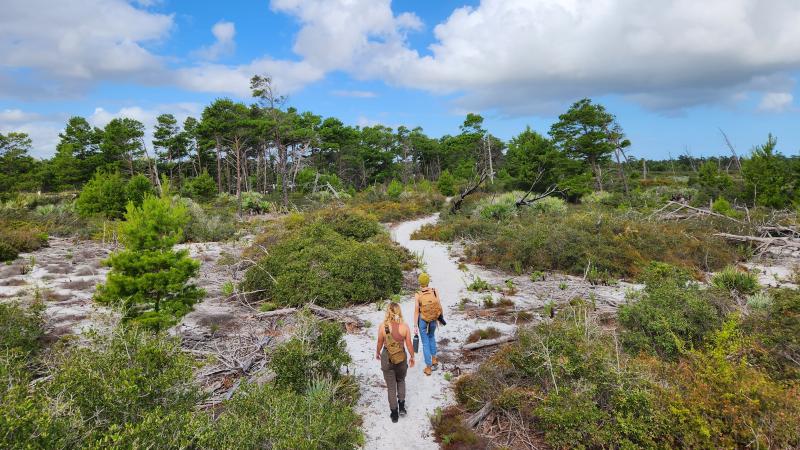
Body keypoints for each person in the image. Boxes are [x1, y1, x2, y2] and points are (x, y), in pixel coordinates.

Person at [375, 302, 415, 423]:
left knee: (391, 387)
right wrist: (412, 356)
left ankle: (394, 414)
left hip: (387, 357)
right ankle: (402, 406)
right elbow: (408, 344)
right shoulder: (405, 326)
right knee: (401, 380)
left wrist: (377, 353)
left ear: (388, 312)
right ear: (399, 311)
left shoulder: (383, 326)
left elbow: (379, 342)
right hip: (401, 357)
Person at [414, 272, 442, 376]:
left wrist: (415, 325)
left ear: (420, 282)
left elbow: (416, 311)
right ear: (428, 282)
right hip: (433, 319)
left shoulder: (418, 294)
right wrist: (440, 317)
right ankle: (434, 359)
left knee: (425, 343)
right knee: (432, 337)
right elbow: (438, 304)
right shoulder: (434, 291)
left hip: (423, 320)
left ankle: (428, 367)